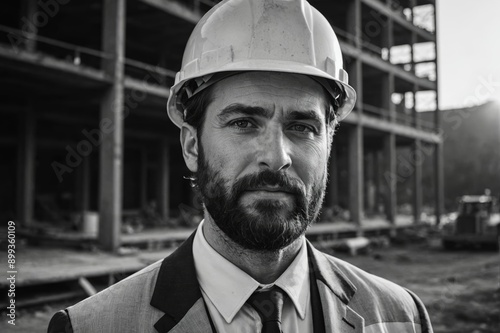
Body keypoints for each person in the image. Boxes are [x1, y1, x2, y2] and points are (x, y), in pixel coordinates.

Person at [48, 0, 433, 332]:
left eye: (302, 127)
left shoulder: (402, 317)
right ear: (192, 145)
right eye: (244, 123)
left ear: (329, 145)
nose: (278, 156)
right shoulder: (89, 327)